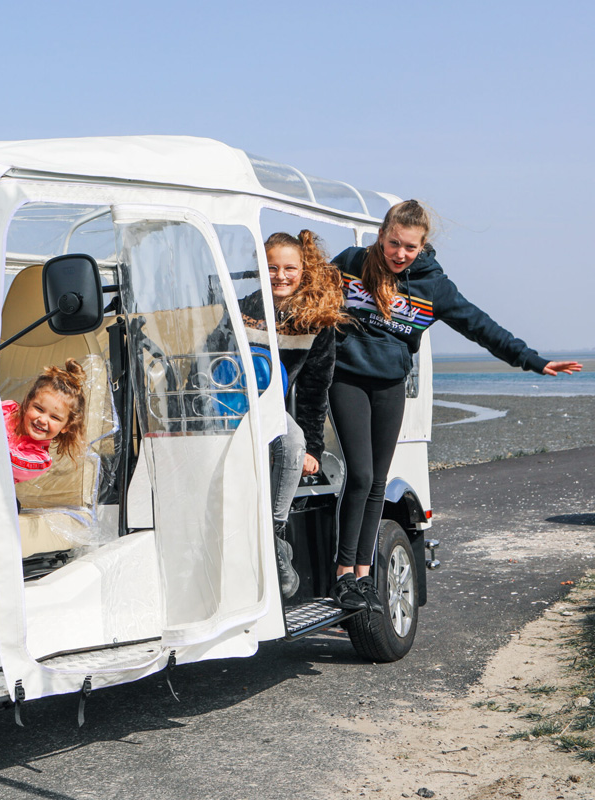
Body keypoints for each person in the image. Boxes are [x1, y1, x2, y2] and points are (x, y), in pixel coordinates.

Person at [328, 199, 583, 611]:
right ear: (381, 235)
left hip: (390, 384)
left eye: (409, 247)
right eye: (394, 243)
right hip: (346, 378)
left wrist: (533, 361)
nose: (399, 254)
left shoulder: (433, 286)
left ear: (422, 246)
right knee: (359, 474)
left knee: (377, 480)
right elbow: (302, 291)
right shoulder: (351, 263)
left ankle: (362, 575)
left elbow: (480, 326)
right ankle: (342, 575)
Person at [240, 231, 349, 598]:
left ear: (305, 270)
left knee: (294, 442)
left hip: (270, 404)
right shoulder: (242, 308)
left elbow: (315, 389)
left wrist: (314, 451)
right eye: (271, 268)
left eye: (290, 268)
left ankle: (273, 536)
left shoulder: (316, 320)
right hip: (233, 401)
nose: (280, 276)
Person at [3, 359, 87, 484]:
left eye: (55, 418)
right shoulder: (7, 410)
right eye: (38, 408)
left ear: (66, 426)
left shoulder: (39, 460)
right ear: (27, 403)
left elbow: (2, 460)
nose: (42, 420)